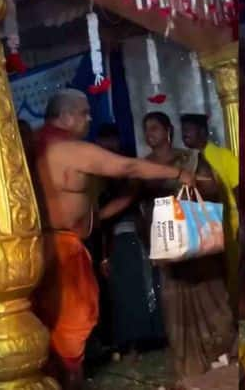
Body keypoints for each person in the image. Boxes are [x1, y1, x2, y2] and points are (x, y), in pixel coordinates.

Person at [31, 90, 196, 389]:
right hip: (60, 248)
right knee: (70, 325)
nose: (89, 118)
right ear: (66, 116)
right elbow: (128, 166)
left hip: (44, 246)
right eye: (84, 113)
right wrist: (179, 173)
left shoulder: (32, 145)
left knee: (55, 324)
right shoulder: (66, 148)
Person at [137, 112, 236, 382]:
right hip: (167, 243)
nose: (150, 134)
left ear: (168, 130)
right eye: (146, 129)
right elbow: (139, 209)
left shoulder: (189, 158)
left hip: (196, 239)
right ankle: (189, 367)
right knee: (175, 306)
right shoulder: (142, 166)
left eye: (155, 128)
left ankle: (222, 355)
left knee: (210, 296)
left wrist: (190, 186)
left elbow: (213, 188)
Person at [95, 124, 165, 362]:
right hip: (114, 241)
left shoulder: (130, 169)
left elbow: (132, 203)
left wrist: (100, 215)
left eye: (111, 141)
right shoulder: (96, 177)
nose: (108, 147)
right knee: (123, 294)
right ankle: (130, 343)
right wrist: (103, 254)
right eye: (104, 143)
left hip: (138, 235)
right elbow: (101, 222)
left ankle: (154, 337)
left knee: (144, 287)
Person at [180, 113, 240, 310]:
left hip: (226, 224)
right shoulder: (184, 161)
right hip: (196, 229)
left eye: (189, 129)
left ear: (203, 132)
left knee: (230, 272)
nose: (185, 133)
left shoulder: (223, 156)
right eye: (183, 130)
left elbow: (237, 190)